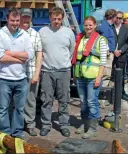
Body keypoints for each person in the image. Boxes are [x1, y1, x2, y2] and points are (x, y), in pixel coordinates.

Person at [0, 7, 34, 138]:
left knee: (19, 109)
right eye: (12, 20)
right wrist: (20, 59)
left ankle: (17, 134)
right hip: (3, 79)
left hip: (21, 79)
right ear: (7, 19)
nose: (15, 23)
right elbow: (0, 57)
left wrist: (10, 53)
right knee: (3, 110)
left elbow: (30, 55)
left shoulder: (25, 35)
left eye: (17, 21)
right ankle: (4, 135)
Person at [38, 7, 75, 137]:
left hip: (64, 71)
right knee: (46, 100)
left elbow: (71, 50)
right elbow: (39, 51)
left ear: (62, 19)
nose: (56, 21)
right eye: (54, 18)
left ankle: (64, 125)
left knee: (64, 99)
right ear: (50, 18)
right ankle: (46, 125)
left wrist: (63, 63)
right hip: (47, 71)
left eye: (59, 19)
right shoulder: (43, 32)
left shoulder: (68, 33)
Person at [72, 16, 108, 139]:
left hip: (93, 76)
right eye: (86, 25)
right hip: (81, 75)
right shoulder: (81, 38)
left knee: (92, 102)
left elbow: (103, 61)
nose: (88, 27)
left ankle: (93, 128)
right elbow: (77, 58)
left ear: (95, 25)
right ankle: (85, 124)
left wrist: (99, 77)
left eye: (90, 25)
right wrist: (75, 75)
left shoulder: (100, 40)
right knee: (83, 103)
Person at [20, 8, 43, 136]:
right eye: (23, 16)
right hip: (16, 75)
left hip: (31, 73)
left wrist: (36, 73)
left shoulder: (35, 34)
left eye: (28, 17)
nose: (25, 19)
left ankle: (30, 124)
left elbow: (39, 55)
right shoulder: (14, 33)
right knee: (16, 101)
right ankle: (18, 124)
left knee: (30, 100)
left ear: (31, 18)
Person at [111, 11, 128, 101]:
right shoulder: (110, 28)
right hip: (111, 55)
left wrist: (120, 50)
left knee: (121, 75)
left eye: (120, 18)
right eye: (117, 17)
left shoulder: (125, 29)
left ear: (122, 19)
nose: (118, 20)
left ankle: (121, 93)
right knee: (111, 76)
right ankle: (112, 94)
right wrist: (113, 50)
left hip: (121, 55)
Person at [98, 9, 116, 80]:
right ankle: (103, 90)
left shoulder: (108, 26)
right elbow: (103, 39)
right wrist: (107, 50)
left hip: (109, 53)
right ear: (113, 17)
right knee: (106, 75)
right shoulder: (105, 26)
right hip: (107, 54)